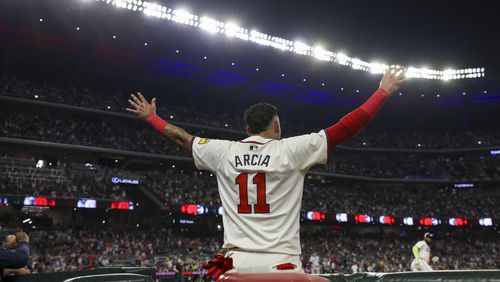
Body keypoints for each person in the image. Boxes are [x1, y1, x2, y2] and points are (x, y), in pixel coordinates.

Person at [127, 67, 405, 276]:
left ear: (247, 130)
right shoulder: (291, 150)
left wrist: (151, 116)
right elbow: (346, 128)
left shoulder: (224, 151)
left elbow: (181, 138)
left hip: (236, 266)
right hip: (283, 266)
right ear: (277, 127)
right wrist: (382, 92)